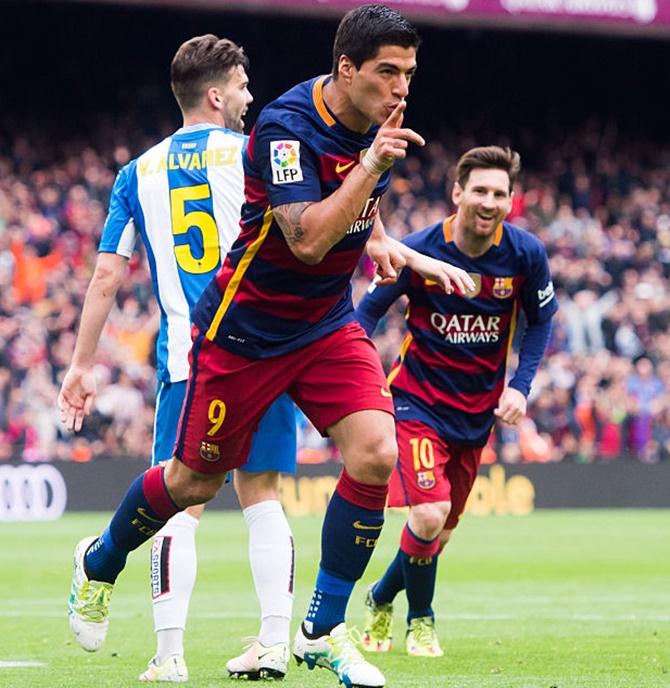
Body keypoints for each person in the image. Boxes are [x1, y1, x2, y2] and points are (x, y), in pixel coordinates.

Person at [65, 6, 474, 687]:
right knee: (194, 480)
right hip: (244, 331)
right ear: (347, 69)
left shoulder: (377, 123)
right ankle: (100, 561)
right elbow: (308, 236)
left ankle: (320, 629)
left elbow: (353, 215)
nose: (402, 88)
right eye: (388, 72)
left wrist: (387, 244)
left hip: (323, 325)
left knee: (376, 453)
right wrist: (371, 167)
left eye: (409, 73)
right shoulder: (285, 126)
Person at [59, 35, 297, 682]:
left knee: (177, 507)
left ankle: (169, 657)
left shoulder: (136, 173)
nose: (251, 97)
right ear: (216, 94)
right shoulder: (255, 155)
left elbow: (107, 277)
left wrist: (80, 366)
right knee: (264, 498)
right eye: (244, 86)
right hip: (266, 351)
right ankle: (276, 642)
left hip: (190, 364)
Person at [355, 145, 558, 657]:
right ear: (457, 193)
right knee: (427, 516)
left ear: (512, 201)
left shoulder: (525, 254)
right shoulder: (421, 250)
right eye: (480, 191)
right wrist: (359, 382)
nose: (489, 202)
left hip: (477, 414)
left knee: (437, 536)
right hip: (416, 401)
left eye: (500, 193)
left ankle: (380, 597)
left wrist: (520, 385)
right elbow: (365, 315)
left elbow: (541, 322)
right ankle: (421, 622)